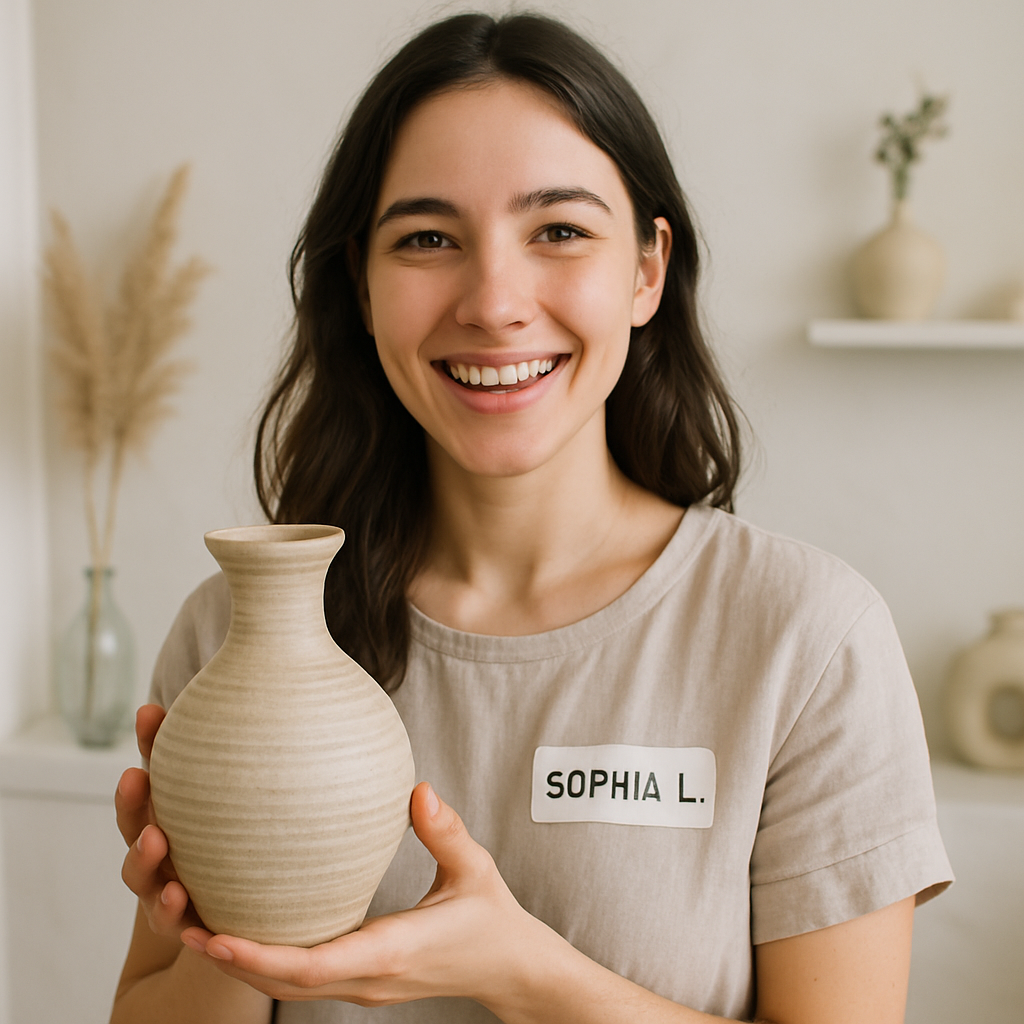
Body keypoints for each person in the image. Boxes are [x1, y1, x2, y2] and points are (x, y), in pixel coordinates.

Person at [111, 12, 952, 1024]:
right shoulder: (230, 636)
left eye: (558, 231)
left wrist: (521, 971)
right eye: (427, 239)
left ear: (646, 269)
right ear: (361, 285)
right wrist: (226, 928)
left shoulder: (807, 640)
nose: (494, 302)